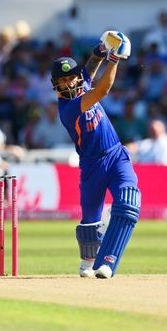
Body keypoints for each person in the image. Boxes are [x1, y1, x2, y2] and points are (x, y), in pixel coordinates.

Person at [51, 31, 141, 279]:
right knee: (89, 225)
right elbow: (103, 89)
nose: (69, 84)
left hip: (116, 154)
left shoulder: (82, 81)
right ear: (55, 85)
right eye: (63, 81)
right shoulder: (68, 108)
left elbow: (89, 69)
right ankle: (89, 261)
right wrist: (114, 59)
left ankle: (108, 262)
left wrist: (100, 51)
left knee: (128, 201)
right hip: (92, 165)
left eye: (72, 78)